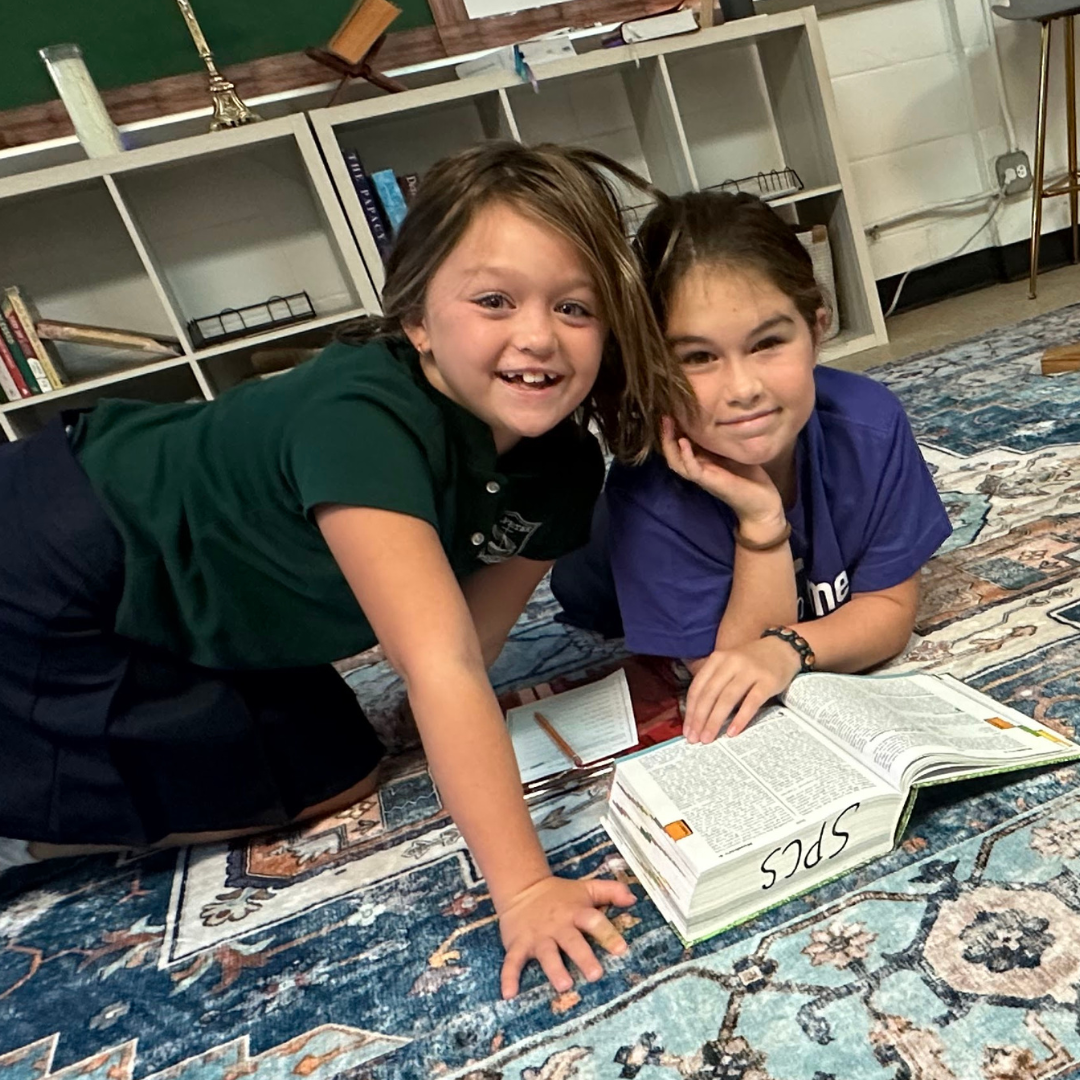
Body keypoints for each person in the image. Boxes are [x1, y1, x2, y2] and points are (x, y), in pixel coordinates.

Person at [0, 142, 678, 999]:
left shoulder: (567, 467)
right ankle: (21, 832)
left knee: (341, 772)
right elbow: (439, 667)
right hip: (57, 557)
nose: (537, 336)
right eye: (494, 300)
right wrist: (526, 888)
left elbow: (464, 643)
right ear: (419, 318)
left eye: (575, 307)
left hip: (214, 608)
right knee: (118, 780)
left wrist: (443, 695)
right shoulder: (361, 414)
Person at [552, 190, 952, 743]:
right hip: (594, 574)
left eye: (767, 343)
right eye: (697, 357)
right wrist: (762, 520)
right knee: (583, 575)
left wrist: (789, 648)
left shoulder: (870, 423)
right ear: (653, 366)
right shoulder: (646, 497)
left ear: (816, 329)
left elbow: (889, 609)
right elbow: (727, 671)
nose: (743, 390)